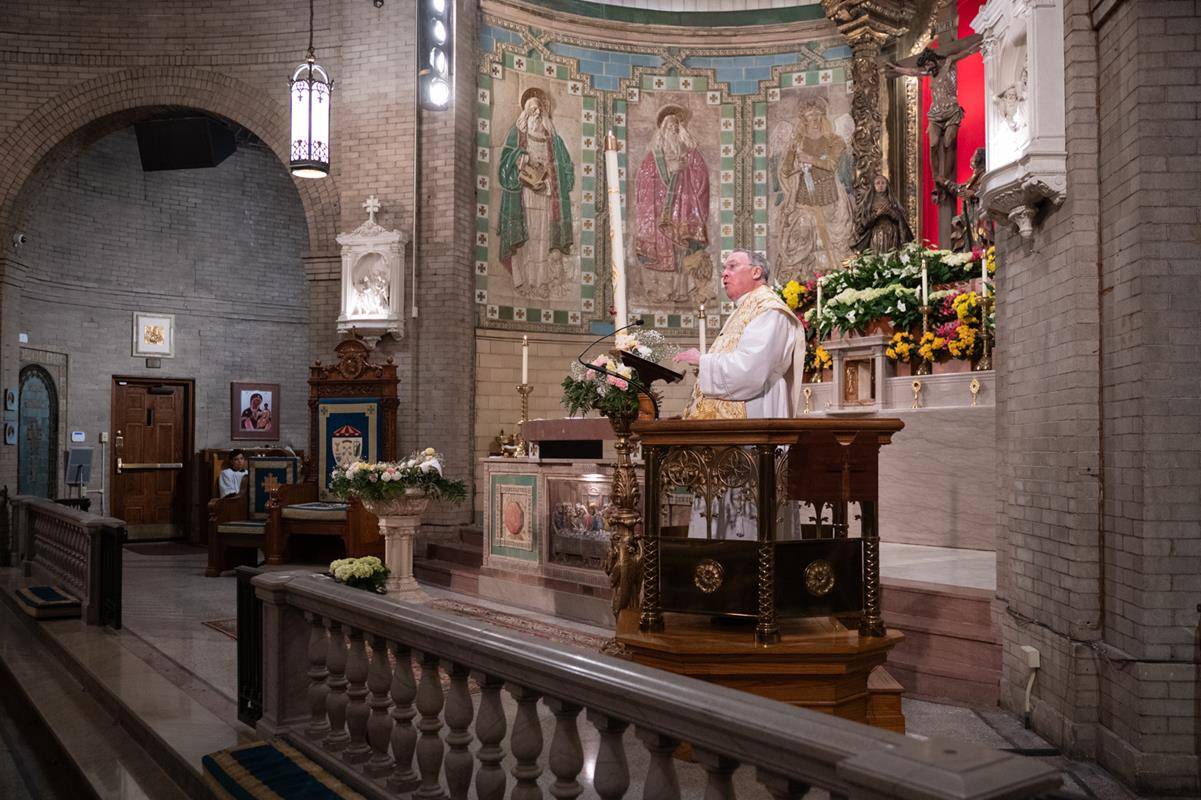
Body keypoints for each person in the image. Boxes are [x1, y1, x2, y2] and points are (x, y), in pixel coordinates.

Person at [674, 251, 806, 540]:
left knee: (749, 509)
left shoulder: (770, 311)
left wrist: (704, 361)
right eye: (723, 268)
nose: (724, 273)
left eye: (732, 266)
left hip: (756, 414)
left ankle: (749, 570)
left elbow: (750, 371)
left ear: (757, 272)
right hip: (738, 422)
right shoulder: (745, 311)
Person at [497, 88, 575, 299]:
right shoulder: (517, 135)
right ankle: (525, 281)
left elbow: (566, 169)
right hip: (522, 197)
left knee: (543, 239)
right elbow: (505, 163)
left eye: (539, 109)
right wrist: (522, 159)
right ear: (525, 113)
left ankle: (541, 283)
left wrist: (550, 176)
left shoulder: (554, 142)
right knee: (527, 239)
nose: (537, 113)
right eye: (532, 110)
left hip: (546, 197)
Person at [634, 105, 711, 304]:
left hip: (684, 210)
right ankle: (663, 290)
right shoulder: (654, 156)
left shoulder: (689, 152)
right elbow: (643, 181)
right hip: (662, 211)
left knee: (683, 250)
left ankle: (682, 290)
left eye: (677, 125)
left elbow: (701, 175)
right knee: (664, 251)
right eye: (669, 126)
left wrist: (687, 169)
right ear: (662, 129)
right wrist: (669, 170)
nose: (674, 129)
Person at [853, 173, 914, 253]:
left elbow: (900, 218)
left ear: (887, 185)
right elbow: (864, 223)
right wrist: (876, 215)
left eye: (883, 183)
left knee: (890, 256)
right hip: (875, 234)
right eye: (878, 183)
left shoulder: (892, 200)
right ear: (873, 186)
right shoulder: (868, 203)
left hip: (892, 234)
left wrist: (891, 213)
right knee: (877, 256)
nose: (880, 185)